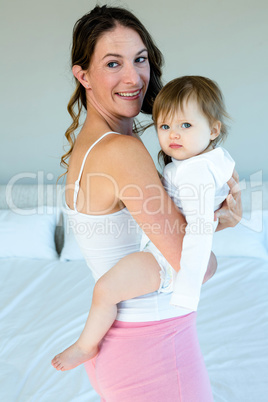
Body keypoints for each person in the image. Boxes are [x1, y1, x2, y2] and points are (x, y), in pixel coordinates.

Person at [51, 5, 241, 401]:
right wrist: (220, 226)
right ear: (82, 74)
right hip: (153, 348)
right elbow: (192, 267)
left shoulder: (89, 146)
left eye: (140, 60)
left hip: (125, 349)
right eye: (112, 63)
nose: (133, 77)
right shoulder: (122, 151)